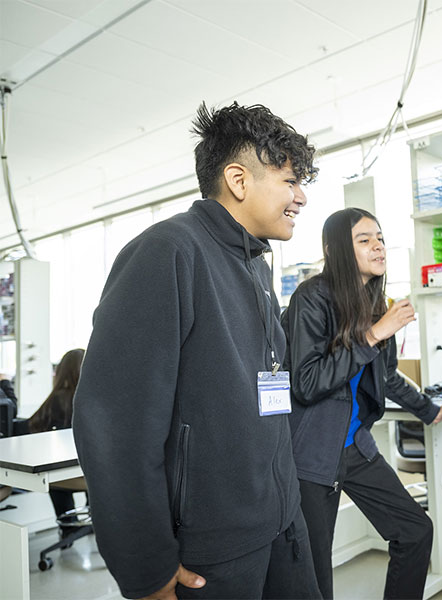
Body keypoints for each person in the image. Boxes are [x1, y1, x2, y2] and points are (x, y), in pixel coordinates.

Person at [72, 102, 321, 600]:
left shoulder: (255, 265)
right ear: (238, 179)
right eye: (290, 181)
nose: (301, 197)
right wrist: (147, 569)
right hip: (213, 550)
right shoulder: (169, 252)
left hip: (281, 522)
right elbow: (114, 425)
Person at [280, 207, 442, 600]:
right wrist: (375, 334)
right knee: (315, 570)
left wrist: (429, 409)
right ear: (337, 249)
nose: (378, 246)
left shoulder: (376, 303)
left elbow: (387, 376)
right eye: (364, 239)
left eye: (380, 238)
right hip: (312, 454)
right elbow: (306, 383)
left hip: (355, 447)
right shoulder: (311, 297)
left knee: (414, 531)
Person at [27, 348, 85, 519]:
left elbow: (32, 425)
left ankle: (68, 525)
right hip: (95, 473)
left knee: (53, 476)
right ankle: (94, 520)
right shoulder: (96, 400)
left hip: (68, 473)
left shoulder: (58, 399)